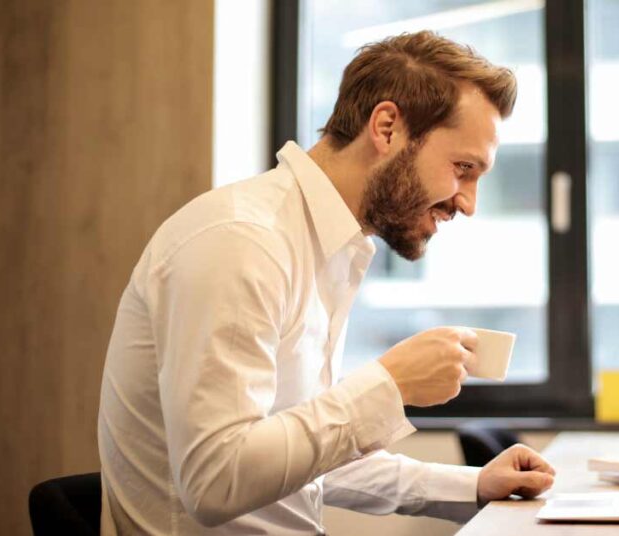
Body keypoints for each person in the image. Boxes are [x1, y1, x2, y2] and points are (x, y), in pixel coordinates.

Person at [97, 30, 556, 535]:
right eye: (462, 168)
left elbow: (298, 459)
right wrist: (390, 384)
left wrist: (470, 486)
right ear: (386, 128)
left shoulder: (328, 246)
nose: (468, 202)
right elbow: (216, 482)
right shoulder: (242, 242)